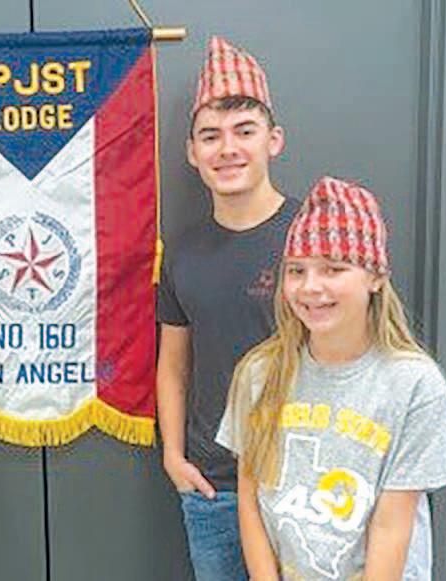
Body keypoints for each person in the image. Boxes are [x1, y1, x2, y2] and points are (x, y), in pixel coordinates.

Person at [217, 176, 446, 579]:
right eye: (296, 270)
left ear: (375, 277)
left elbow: (391, 526)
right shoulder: (258, 374)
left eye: (333, 269)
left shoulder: (415, 386)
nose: (310, 287)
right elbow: (250, 498)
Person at [156, 36, 300, 580]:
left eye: (245, 131)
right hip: (212, 486)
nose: (228, 149)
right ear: (192, 152)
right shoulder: (183, 252)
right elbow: (174, 365)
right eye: (211, 136)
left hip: (301, 480)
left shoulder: (310, 237)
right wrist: (174, 456)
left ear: (273, 140)